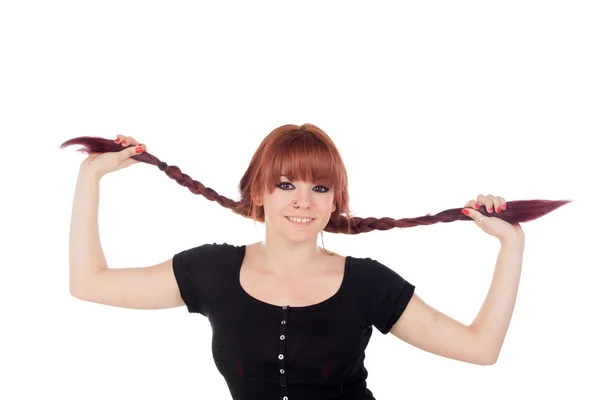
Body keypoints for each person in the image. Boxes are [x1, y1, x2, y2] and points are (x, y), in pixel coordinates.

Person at [68, 123, 530, 400]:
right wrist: (91, 179)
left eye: (320, 188)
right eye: (287, 185)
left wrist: (512, 248)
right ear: (258, 192)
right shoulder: (210, 272)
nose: (303, 202)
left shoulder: (368, 283)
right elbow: (89, 283)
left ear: (335, 203)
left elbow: (480, 349)